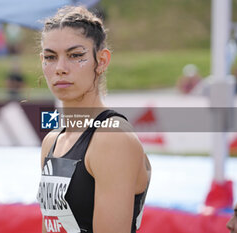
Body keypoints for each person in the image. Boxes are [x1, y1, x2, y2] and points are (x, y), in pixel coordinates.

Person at [36, 6, 151, 233]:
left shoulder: (112, 138)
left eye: (75, 55)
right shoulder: (52, 141)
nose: (60, 68)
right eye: (50, 57)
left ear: (102, 60)